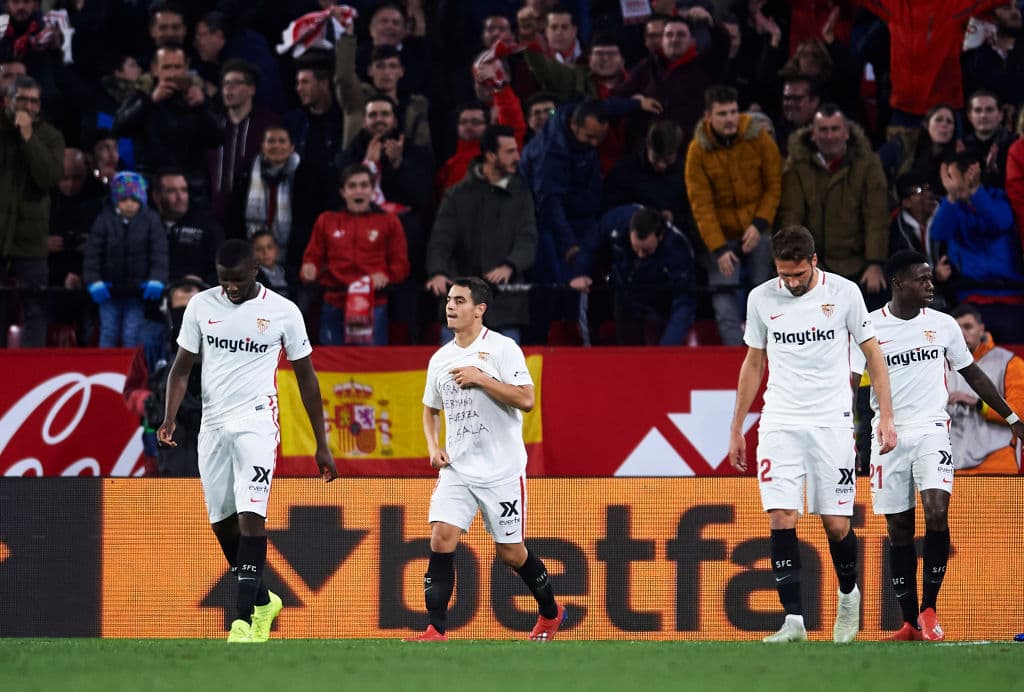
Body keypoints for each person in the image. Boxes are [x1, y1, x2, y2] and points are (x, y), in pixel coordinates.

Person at [158, 238, 338, 644]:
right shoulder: (202, 306)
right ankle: (263, 599)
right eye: (224, 281)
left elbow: (307, 380)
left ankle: (242, 622)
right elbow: (181, 368)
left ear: (256, 270)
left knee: (250, 515)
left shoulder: (283, 312)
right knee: (222, 523)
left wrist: (321, 442)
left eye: (238, 280)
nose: (231, 288)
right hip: (213, 425)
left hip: (257, 423)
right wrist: (168, 418)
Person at [727, 225, 897, 644]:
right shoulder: (762, 298)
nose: (791, 282)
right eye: (784, 274)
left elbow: (873, 355)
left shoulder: (844, 294)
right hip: (780, 420)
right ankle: (794, 621)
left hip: (831, 422)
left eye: (798, 275)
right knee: (781, 515)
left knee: (836, 524)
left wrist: (886, 418)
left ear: (814, 262)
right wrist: (736, 427)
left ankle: (847, 593)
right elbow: (754, 363)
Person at [851, 251, 1024, 641]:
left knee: (936, 509)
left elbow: (974, 374)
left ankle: (930, 608)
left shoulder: (943, 326)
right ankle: (910, 622)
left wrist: (1013, 419)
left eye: (931, 279)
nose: (931, 285)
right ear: (897, 283)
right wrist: (850, 431)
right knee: (898, 528)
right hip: (887, 435)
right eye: (922, 279)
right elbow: (848, 384)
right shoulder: (868, 327)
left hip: (931, 429)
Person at [406, 276, 565, 642]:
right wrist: (433, 445)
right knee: (441, 537)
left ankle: (550, 613)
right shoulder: (440, 359)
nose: (450, 306)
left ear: (480, 309)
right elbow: (430, 410)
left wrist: (481, 379)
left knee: (511, 554)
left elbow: (526, 400)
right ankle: (435, 629)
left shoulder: (503, 349)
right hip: (458, 469)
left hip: (501, 471)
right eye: (449, 299)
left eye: (460, 300)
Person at [686, 84, 781, 345]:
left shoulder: (759, 138)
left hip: (758, 228)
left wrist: (759, 223)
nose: (730, 119)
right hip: (721, 236)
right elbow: (701, 205)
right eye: (722, 114)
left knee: (764, 290)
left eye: (733, 112)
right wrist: (718, 249)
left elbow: (773, 184)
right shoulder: (697, 152)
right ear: (708, 117)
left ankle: (762, 350)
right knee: (724, 295)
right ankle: (734, 357)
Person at [426, 125, 537, 344]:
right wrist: (437, 272)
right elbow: (441, 239)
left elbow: (528, 238)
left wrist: (510, 265)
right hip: (461, 304)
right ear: (490, 155)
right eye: (510, 152)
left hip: (506, 304)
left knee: (504, 376)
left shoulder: (521, 194)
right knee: (454, 376)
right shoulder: (457, 194)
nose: (517, 156)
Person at [300, 163, 410, 346]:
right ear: (343, 192)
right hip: (334, 304)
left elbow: (401, 265)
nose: (358, 191)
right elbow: (312, 259)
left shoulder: (389, 221)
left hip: (372, 305)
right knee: (331, 367)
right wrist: (308, 269)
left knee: (369, 366)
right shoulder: (326, 220)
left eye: (364, 185)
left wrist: (386, 276)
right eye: (352, 186)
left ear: (372, 190)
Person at [0, 74, 64, 348]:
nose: (28, 106)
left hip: (31, 236)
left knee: (35, 307)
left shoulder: (50, 136)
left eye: (33, 101)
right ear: (9, 101)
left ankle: (31, 374)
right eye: (22, 100)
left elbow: (49, 177)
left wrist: (28, 137)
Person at [83, 171, 168, 348]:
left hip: (136, 292)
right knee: (108, 330)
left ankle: (129, 370)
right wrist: (94, 281)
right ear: (116, 200)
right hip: (108, 291)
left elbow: (159, 254)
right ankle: (105, 370)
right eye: (124, 200)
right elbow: (92, 255)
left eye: (134, 200)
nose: (129, 204)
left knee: (132, 331)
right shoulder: (104, 220)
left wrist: (156, 280)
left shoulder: (151, 221)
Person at [947, 303, 1024, 475]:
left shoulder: (1010, 363)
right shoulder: (939, 365)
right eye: (956, 329)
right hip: (949, 466)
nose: (962, 333)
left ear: (981, 329)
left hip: (996, 462)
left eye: (968, 327)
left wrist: (977, 403)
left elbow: (1020, 412)